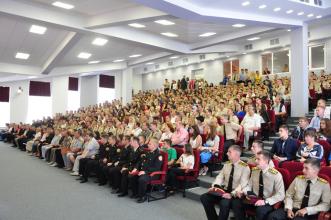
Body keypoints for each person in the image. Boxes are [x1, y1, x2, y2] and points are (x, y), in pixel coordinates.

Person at [200, 145, 250, 220]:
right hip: (224, 190)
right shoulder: (227, 164)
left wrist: (231, 194)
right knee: (204, 197)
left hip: (235, 193)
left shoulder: (245, 167)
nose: (227, 153)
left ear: (236, 154)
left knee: (224, 203)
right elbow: (220, 177)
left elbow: (242, 185)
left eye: (229, 152)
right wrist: (215, 187)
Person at [240, 151, 285, 220]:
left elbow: (281, 195)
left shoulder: (276, 175)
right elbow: (249, 186)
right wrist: (243, 191)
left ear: (266, 161)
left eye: (258, 159)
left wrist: (265, 202)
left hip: (268, 201)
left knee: (260, 210)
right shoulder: (255, 171)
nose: (255, 161)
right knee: (237, 202)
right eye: (256, 159)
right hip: (254, 199)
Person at [129, 137, 163, 203]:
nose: (148, 145)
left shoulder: (158, 155)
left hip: (153, 174)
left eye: (150, 144)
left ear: (155, 145)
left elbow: (156, 168)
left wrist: (145, 172)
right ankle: (136, 193)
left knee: (142, 179)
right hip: (143, 171)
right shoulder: (148, 152)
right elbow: (140, 161)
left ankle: (142, 196)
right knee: (132, 176)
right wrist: (135, 168)